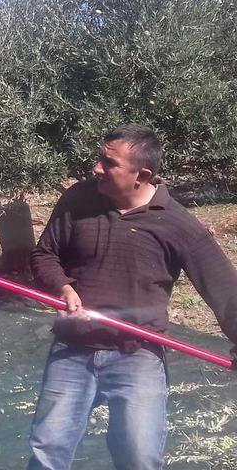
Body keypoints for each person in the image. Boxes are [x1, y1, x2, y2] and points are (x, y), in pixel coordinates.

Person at [27, 124, 237, 470]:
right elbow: (44, 254)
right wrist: (63, 286)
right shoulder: (78, 200)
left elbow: (224, 289)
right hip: (73, 348)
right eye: (99, 158)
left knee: (139, 457)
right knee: (47, 450)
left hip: (138, 353)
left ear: (143, 175)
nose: (96, 168)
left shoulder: (176, 223)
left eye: (109, 163)